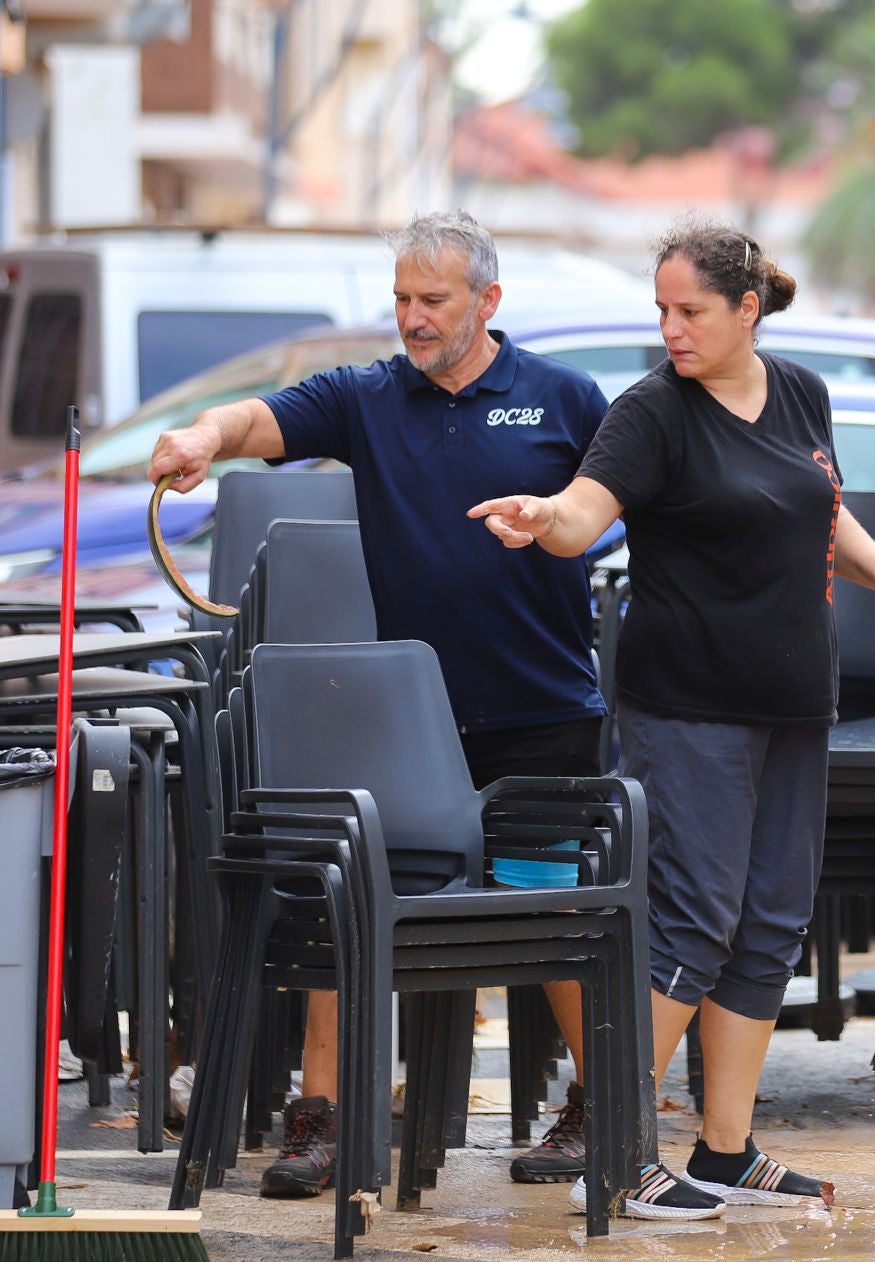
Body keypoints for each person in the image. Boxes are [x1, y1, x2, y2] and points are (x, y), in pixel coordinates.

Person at [146, 211, 623, 1202]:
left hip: (540, 706)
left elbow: (630, 502)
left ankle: (600, 1108)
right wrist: (200, 436)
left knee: (545, 906)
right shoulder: (368, 396)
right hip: (407, 719)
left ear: (487, 302)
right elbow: (257, 420)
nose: (410, 317)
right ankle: (320, 1118)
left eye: (431, 300)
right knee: (344, 889)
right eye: (401, 297)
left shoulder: (564, 398)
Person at [471, 217, 875, 1217]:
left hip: (793, 698)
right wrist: (543, 518)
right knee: (693, 919)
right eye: (661, 310)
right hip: (687, 705)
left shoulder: (800, 392)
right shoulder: (652, 414)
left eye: (689, 311)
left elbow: (822, 510)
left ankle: (727, 1148)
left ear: (747, 308)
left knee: (771, 920)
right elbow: (585, 510)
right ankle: (624, 1147)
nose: (671, 328)